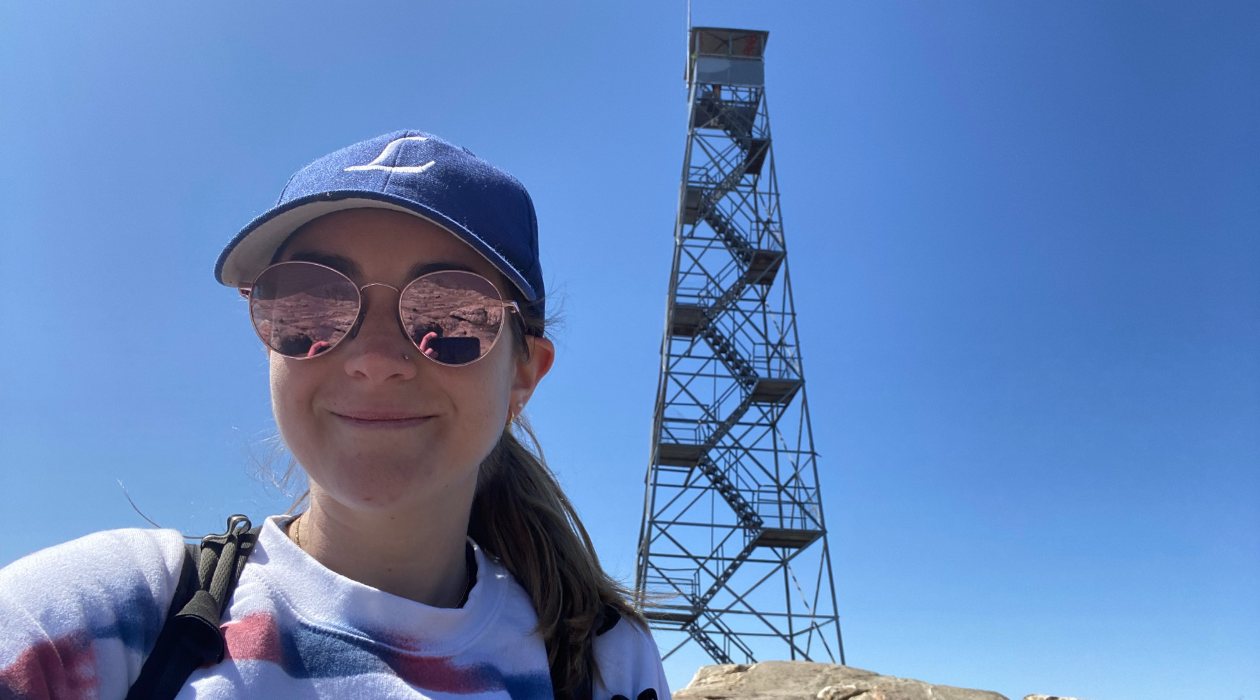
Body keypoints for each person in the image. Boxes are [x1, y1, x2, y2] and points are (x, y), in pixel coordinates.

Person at [0, 131, 671, 700]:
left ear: (524, 373)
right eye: (310, 303)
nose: (375, 360)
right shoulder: (115, 618)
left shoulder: (603, 665)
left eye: (450, 314)